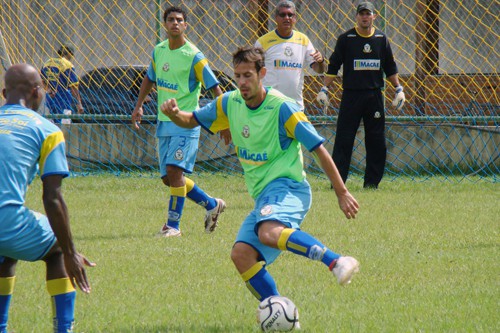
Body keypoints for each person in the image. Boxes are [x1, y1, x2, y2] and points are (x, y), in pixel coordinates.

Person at [160, 46, 360, 305]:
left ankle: (337, 262)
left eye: (248, 76)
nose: (242, 82)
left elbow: (318, 148)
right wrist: (175, 114)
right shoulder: (229, 102)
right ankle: (279, 309)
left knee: (269, 233)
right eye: (238, 76)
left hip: (289, 187)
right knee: (241, 255)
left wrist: (341, 192)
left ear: (262, 73)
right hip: (263, 197)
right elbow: (192, 119)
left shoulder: (282, 108)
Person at [0, 64, 95, 333]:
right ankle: (63, 329)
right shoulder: (47, 130)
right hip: (5, 220)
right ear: (37, 92)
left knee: (6, 254)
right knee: (57, 249)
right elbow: (52, 198)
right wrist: (70, 252)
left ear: (4, 92)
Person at [132, 6, 225, 237]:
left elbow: (216, 89)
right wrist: (139, 105)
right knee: (169, 178)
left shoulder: (194, 56)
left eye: (180, 20)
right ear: (165, 24)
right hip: (164, 122)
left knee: (174, 171)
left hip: (187, 122)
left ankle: (172, 227)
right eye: (171, 19)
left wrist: (224, 120)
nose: (175, 23)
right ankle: (212, 204)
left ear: (186, 25)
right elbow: (149, 78)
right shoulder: (158, 51)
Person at [316, 2, 405, 189]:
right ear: (356, 17)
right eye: (361, 14)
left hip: (374, 96)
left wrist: (398, 89)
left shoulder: (381, 39)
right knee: (343, 139)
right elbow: (333, 65)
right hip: (351, 96)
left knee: (376, 141)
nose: (365, 17)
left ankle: (372, 184)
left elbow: (390, 66)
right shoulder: (346, 38)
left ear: (374, 17)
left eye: (368, 14)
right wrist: (324, 89)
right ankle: (338, 183)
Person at [254, 0, 327, 110]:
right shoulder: (262, 42)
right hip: (270, 106)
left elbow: (320, 70)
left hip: (295, 106)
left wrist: (321, 61)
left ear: (295, 18)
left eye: (290, 15)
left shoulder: (303, 40)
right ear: (276, 18)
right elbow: (254, 73)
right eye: (282, 15)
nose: (286, 18)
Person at [41, 44, 84, 123]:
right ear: (70, 53)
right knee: (64, 128)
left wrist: (49, 90)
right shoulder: (67, 65)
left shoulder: (48, 62)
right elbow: (73, 87)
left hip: (50, 100)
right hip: (63, 101)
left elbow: (42, 80)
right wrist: (79, 104)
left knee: (51, 125)